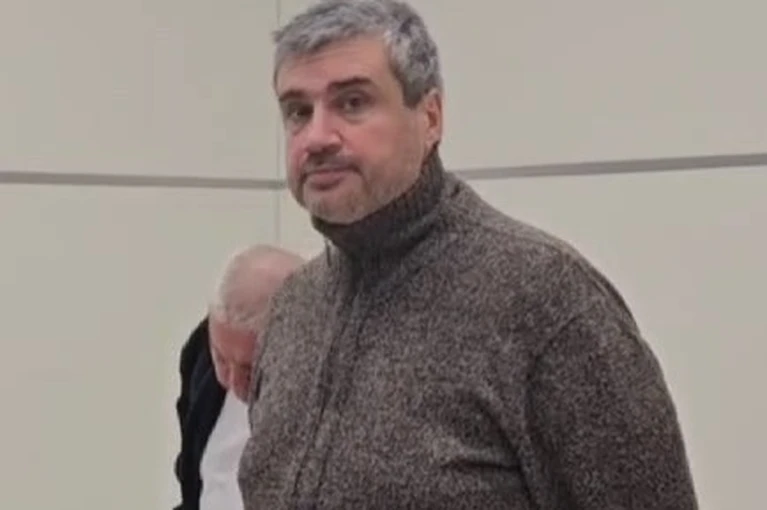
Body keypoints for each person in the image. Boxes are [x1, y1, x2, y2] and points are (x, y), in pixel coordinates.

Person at [237, 1, 699, 508]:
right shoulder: (293, 307)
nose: (317, 137)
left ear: (430, 117)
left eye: (352, 103)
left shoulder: (547, 301)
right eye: (298, 112)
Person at [173, 244, 303, 510]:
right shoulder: (199, 356)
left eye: (250, 370)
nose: (232, 384)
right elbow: (196, 481)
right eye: (221, 359)